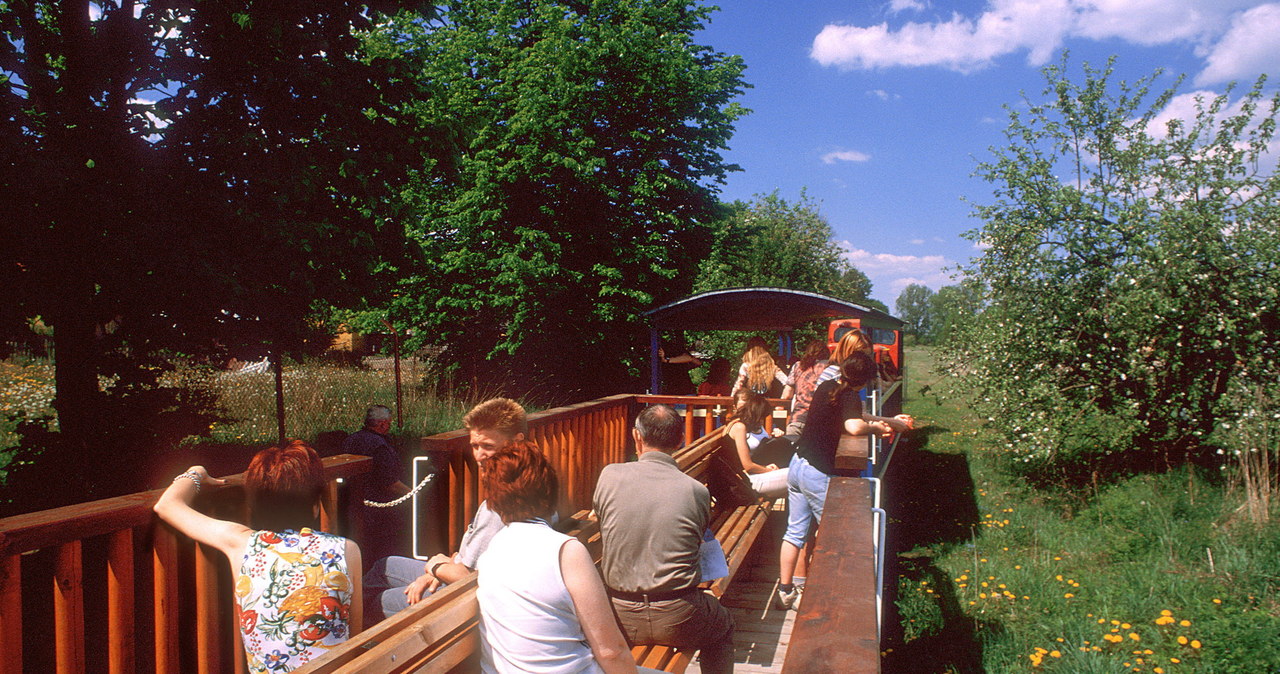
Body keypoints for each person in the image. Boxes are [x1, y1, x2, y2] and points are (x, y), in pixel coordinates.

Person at [153, 441, 362, 673]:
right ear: (315, 505)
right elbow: (353, 641)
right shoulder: (346, 549)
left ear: (253, 504)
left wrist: (197, 472)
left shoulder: (241, 544)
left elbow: (166, 505)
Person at [477, 443, 661, 674]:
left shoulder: (492, 552)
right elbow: (610, 651)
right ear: (550, 491)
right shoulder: (565, 551)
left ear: (494, 499)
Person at [593, 405, 736, 674]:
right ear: (680, 440)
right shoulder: (696, 491)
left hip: (618, 614)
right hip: (681, 614)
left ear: (637, 437)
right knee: (724, 625)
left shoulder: (609, 476)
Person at [362, 398, 527, 624]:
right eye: (475, 446)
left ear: (517, 442)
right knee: (385, 565)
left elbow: (468, 577)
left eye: (488, 446)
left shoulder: (501, 503)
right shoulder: (531, 481)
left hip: (469, 599)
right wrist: (437, 570)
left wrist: (435, 567)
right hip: (463, 580)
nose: (479, 456)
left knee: (376, 602)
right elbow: (472, 558)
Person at [776, 352, 913, 610]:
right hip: (816, 472)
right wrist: (878, 429)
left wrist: (890, 422)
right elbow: (854, 425)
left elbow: (857, 417)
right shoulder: (850, 393)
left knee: (794, 532)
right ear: (865, 380)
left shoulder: (830, 386)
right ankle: (828, 596)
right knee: (833, 534)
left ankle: (785, 591)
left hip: (798, 465)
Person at [341, 405, 412, 569]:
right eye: (388, 423)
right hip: (379, 514)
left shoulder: (351, 440)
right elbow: (389, 482)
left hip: (352, 507)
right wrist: (412, 494)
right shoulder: (379, 446)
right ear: (382, 424)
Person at [725, 390, 789, 497]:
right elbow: (748, 466)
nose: (761, 419)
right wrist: (768, 470)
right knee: (799, 474)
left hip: (750, 477)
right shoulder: (739, 427)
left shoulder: (743, 425)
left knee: (799, 475)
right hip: (745, 482)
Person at [781, 340, 830, 437]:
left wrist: (779, 406)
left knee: (790, 449)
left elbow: (787, 394)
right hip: (821, 421)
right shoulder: (829, 367)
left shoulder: (798, 366)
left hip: (798, 418)